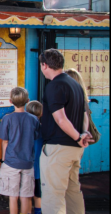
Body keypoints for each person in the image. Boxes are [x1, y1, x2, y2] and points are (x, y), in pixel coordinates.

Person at [38, 49, 92, 214]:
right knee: (72, 192)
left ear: (44, 65)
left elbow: (60, 119)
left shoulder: (55, 85)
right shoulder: (75, 84)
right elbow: (84, 115)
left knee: (53, 195)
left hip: (58, 149)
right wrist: (83, 134)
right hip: (74, 151)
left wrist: (78, 137)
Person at [0, 88, 41, 214]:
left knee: (13, 196)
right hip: (28, 163)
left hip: (11, 162)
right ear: (27, 101)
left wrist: (3, 159)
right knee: (26, 195)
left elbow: (5, 142)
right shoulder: (34, 119)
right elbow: (36, 137)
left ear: (10, 101)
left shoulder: (7, 119)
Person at [26, 100, 44, 214]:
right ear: (41, 113)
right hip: (40, 169)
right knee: (38, 195)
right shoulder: (44, 128)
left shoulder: (25, 128)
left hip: (26, 168)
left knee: (26, 195)